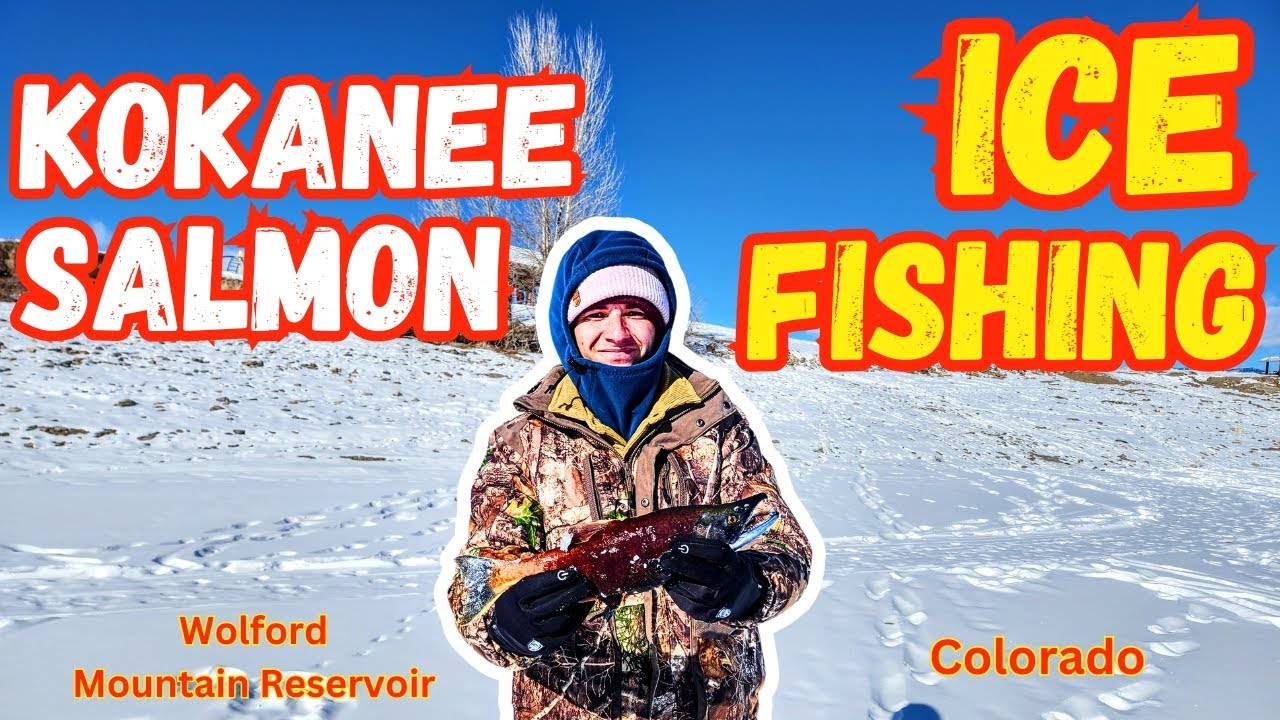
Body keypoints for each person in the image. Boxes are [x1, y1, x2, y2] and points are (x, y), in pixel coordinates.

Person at [446, 226, 813, 720]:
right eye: (596, 313)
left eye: (636, 313)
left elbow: (783, 547)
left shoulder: (721, 427)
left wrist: (750, 586)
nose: (616, 333)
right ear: (568, 324)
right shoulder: (519, 442)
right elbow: (477, 582)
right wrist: (503, 626)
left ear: (661, 325)